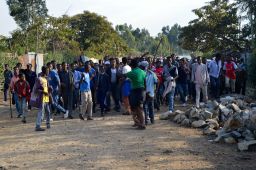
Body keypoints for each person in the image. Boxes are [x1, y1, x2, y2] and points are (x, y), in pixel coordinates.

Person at [127, 58, 146, 130]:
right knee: (138, 108)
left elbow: (123, 75)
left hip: (135, 91)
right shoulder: (143, 72)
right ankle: (139, 123)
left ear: (132, 66)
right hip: (142, 90)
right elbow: (145, 81)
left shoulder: (132, 72)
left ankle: (142, 124)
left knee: (138, 108)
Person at [35, 66, 51, 131]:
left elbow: (47, 88)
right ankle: (37, 126)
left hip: (46, 97)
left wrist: (49, 94)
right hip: (41, 98)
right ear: (44, 71)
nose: (48, 72)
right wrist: (44, 92)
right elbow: (36, 90)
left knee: (48, 111)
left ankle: (48, 123)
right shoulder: (39, 79)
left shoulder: (46, 79)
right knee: (41, 112)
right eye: (47, 71)